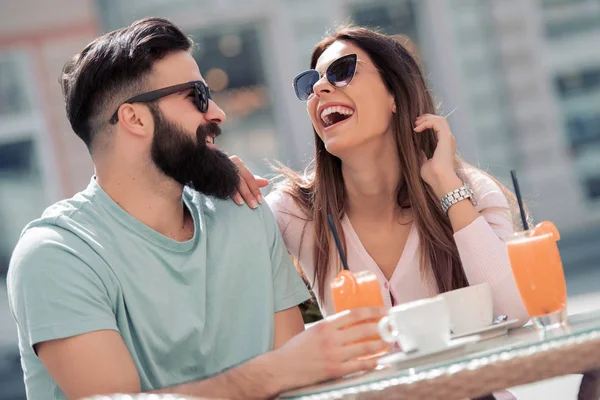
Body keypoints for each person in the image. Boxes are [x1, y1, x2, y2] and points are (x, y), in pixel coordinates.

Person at [6, 18, 388, 400]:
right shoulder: (58, 256)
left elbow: (298, 385)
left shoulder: (244, 212)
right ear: (134, 118)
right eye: (197, 97)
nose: (218, 113)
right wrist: (272, 373)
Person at [231, 26, 530, 324]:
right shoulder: (293, 210)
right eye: (311, 83)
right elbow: (224, 277)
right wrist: (216, 189)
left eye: (342, 70)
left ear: (395, 96)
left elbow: (514, 310)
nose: (319, 89)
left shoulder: (472, 192)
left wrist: (449, 191)